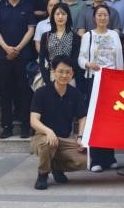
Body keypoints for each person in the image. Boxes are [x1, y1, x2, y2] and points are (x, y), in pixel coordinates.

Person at [29, 55, 88, 190]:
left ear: (72, 74)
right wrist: (48, 131)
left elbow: (82, 117)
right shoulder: (41, 93)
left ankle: (56, 166)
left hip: (65, 139)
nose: (64, 75)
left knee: (86, 160)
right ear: (53, 72)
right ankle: (43, 174)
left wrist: (80, 137)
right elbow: (33, 120)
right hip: (43, 136)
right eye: (60, 71)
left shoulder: (75, 94)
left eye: (68, 72)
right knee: (48, 144)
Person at [79, 5, 124, 171]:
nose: (102, 18)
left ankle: (110, 157)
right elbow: (81, 58)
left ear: (109, 18)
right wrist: (87, 64)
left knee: (110, 119)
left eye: (105, 15)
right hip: (94, 80)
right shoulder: (88, 36)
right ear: (94, 18)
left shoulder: (114, 35)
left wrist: (121, 79)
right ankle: (96, 159)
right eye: (99, 15)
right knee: (95, 118)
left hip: (111, 82)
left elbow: (119, 58)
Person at [0, 0, 36, 139]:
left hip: (23, 56)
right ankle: (7, 126)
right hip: (4, 57)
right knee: (6, 92)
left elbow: (31, 29)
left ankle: (25, 126)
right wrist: (6, 48)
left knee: (24, 92)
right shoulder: (0, 8)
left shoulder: (27, 7)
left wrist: (17, 48)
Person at [38, 2, 82, 84]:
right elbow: (42, 59)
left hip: (69, 76)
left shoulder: (75, 37)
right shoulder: (46, 36)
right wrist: (46, 79)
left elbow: (76, 60)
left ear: (68, 16)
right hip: (52, 75)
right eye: (57, 14)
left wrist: (70, 75)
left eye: (63, 14)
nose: (60, 17)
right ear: (53, 16)